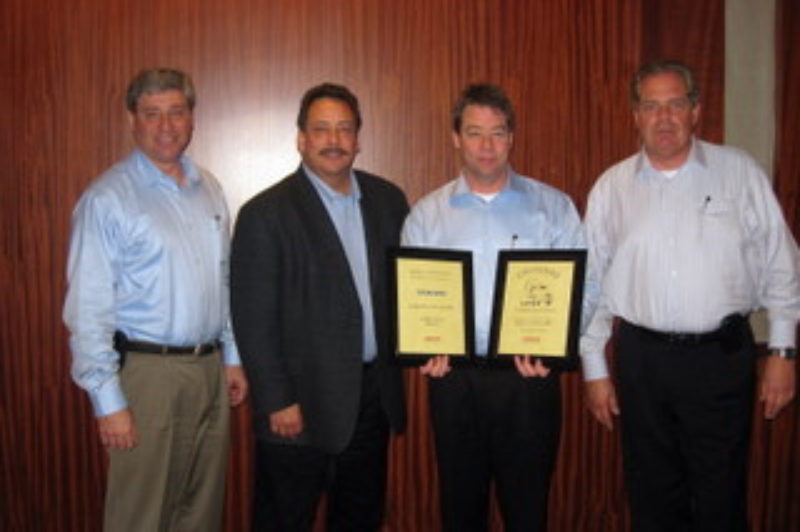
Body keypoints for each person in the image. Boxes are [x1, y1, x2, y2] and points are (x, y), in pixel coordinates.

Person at [580, 60, 799, 531]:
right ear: (635, 115)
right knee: (652, 496)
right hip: (642, 361)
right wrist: (594, 369)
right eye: (651, 105)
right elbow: (591, 285)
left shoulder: (739, 173)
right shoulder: (611, 188)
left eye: (675, 104)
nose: (664, 117)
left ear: (695, 111)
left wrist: (782, 351)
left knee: (722, 496)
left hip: (719, 360)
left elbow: (783, 262)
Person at [63, 68, 248, 531]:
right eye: (152, 114)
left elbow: (223, 280)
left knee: (200, 513)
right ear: (132, 120)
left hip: (208, 371)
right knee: (140, 518)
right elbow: (88, 309)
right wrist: (109, 402)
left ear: (191, 118)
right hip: (147, 378)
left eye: (176, 113)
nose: (166, 126)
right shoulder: (107, 198)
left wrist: (232, 357)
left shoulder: (209, 188)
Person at [402, 83, 591, 532]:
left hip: (529, 380)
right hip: (454, 381)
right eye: (474, 132)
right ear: (455, 138)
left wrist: (554, 348)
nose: (487, 146)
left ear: (512, 137)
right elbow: (411, 295)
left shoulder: (554, 208)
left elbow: (585, 288)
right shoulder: (427, 215)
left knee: (527, 510)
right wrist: (423, 345)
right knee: (460, 508)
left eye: (498, 132)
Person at [230, 83, 408, 531]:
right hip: (298, 406)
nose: (334, 140)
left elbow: (410, 289)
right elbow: (252, 317)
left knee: (360, 518)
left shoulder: (388, 201)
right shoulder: (264, 213)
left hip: (370, 399)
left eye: (345, 129)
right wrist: (277, 400)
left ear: (359, 138)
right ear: (301, 139)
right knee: (286, 519)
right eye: (321, 129)